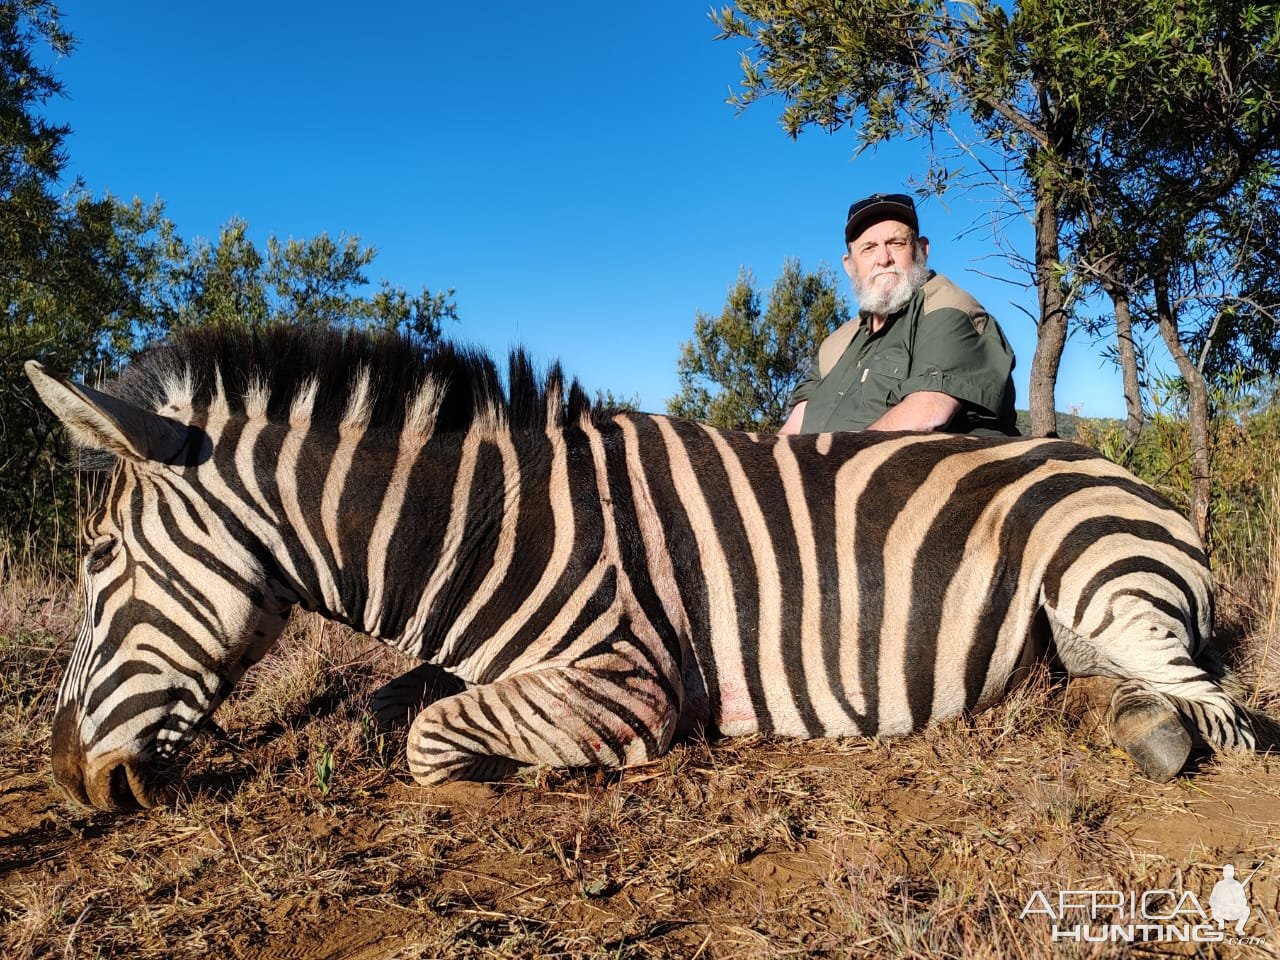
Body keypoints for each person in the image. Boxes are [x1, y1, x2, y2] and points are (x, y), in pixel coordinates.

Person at [779, 192, 1018, 436]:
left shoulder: (946, 305)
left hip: (927, 471)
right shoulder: (835, 344)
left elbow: (929, 412)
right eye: (868, 248)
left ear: (922, 250)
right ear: (849, 265)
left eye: (896, 243)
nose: (883, 259)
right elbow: (794, 427)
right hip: (827, 470)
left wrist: (834, 469)